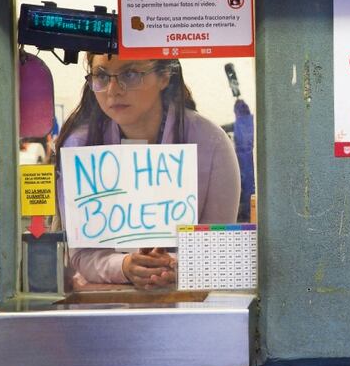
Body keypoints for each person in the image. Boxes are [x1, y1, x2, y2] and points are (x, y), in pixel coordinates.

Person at [54, 53, 241, 291]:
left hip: (189, 303)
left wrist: (176, 267)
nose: (113, 90)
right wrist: (123, 266)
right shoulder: (79, 146)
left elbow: (217, 246)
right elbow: (80, 254)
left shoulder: (211, 142)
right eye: (101, 75)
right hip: (106, 306)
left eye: (130, 74)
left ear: (164, 76)